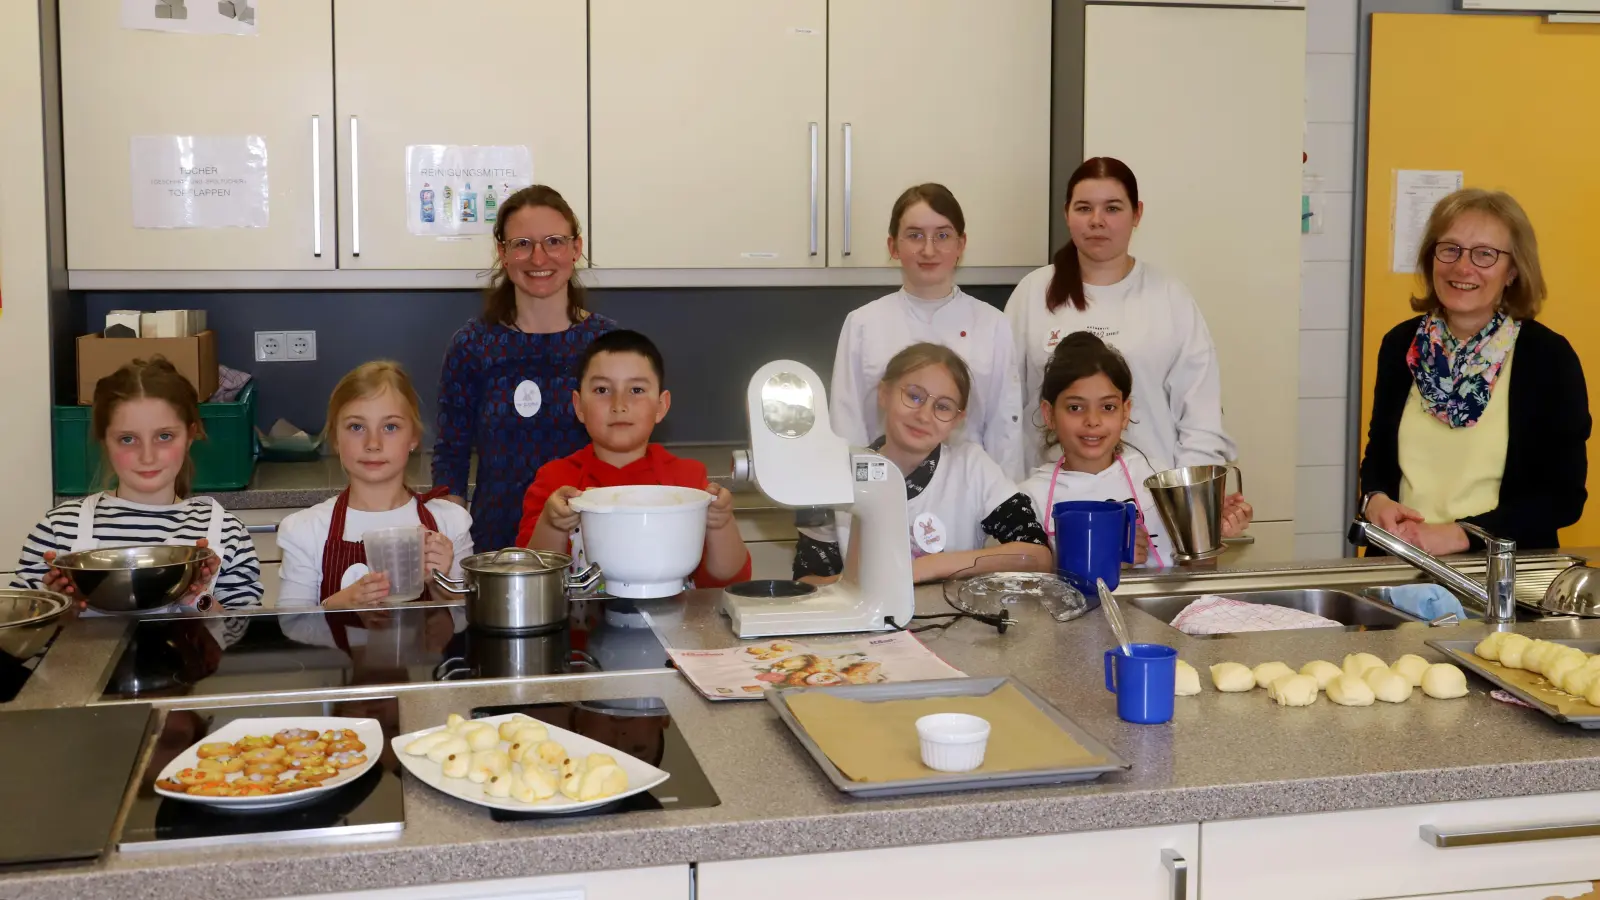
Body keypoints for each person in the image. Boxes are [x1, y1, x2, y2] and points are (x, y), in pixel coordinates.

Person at [1360, 189, 1589, 553]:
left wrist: (1461, 534)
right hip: (1400, 564)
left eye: (1485, 254)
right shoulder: (1401, 344)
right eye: (1450, 248)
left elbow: (1563, 497)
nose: (1462, 267)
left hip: (1504, 573)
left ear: (1513, 271)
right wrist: (1376, 499)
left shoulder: (1548, 357)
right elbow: (1379, 460)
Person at [1005, 157, 1234, 472]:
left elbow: (1201, 418)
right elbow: (1004, 410)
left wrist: (1188, 506)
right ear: (1066, 213)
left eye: (1112, 208)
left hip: (1148, 501)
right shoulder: (1033, 293)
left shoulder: (1169, 297)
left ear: (1137, 214)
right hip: (1050, 498)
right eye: (1084, 208)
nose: (1097, 220)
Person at [433, 185, 618, 553]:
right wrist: (451, 538)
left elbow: (630, 444)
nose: (538, 257)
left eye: (553, 241)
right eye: (522, 244)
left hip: (594, 542)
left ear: (575, 248)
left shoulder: (606, 344)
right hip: (498, 545)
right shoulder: (473, 345)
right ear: (503, 253)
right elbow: (451, 454)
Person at [10, 357, 261, 611]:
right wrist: (59, 606)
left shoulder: (226, 532)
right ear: (105, 441)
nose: (147, 456)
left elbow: (241, 641)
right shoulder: (57, 529)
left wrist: (195, 598)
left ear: (189, 436)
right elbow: (18, 636)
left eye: (164, 436)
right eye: (128, 439)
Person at [794, 342, 1052, 585]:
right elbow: (806, 583)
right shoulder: (836, 474)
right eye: (914, 397)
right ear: (884, 394)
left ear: (958, 419)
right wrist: (875, 583)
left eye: (942, 406)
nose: (924, 416)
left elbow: (1038, 557)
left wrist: (928, 567)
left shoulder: (972, 468)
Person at [517, 329, 751, 589]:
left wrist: (721, 523)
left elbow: (730, 578)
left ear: (661, 406)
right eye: (602, 389)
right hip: (578, 629)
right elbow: (529, 579)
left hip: (673, 626)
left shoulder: (688, 480)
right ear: (579, 406)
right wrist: (552, 523)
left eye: (636, 389)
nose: (619, 404)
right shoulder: (555, 480)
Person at [830, 183, 1024, 478]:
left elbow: (1004, 431)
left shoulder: (992, 324)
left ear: (961, 245)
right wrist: (855, 510)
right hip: (887, 491)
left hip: (969, 494)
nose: (929, 249)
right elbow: (847, 428)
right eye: (915, 235)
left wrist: (1005, 505)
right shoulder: (863, 324)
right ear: (893, 246)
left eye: (943, 235)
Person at [1021, 332, 1252, 568]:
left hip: (1166, 606)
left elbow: (1198, 574)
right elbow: (1035, 593)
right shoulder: (1030, 500)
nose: (1093, 420)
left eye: (1108, 407)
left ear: (1125, 412)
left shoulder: (1157, 482)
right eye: (1075, 407)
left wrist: (1209, 531)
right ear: (1049, 414)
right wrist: (1104, 557)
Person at [279, 362, 474, 610]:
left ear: (413, 437)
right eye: (356, 427)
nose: (373, 443)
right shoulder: (305, 531)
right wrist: (336, 606)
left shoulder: (451, 522)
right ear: (336, 439)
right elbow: (290, 629)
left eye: (390, 427)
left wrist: (440, 584)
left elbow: (467, 626)